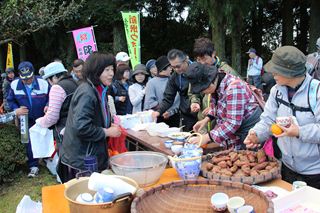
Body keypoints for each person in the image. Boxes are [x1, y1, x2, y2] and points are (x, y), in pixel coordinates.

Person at [244, 46, 320, 189]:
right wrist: (256, 134)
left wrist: (298, 132)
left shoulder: (316, 92)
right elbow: (268, 119)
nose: (272, 73)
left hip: (315, 172)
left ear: (290, 73)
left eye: (276, 70)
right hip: (286, 167)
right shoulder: (276, 91)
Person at [58, 52, 121, 183]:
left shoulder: (100, 89)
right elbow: (82, 127)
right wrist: (107, 131)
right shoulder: (87, 92)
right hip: (81, 160)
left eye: (112, 69)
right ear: (96, 70)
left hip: (90, 154)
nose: (111, 73)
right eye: (107, 70)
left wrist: (109, 124)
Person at [186, 62, 262, 149]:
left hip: (248, 132)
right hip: (236, 130)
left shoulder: (234, 88)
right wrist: (207, 119)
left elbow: (233, 123)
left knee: (249, 159)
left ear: (211, 81)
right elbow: (217, 105)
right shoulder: (218, 84)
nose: (203, 92)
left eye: (203, 89)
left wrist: (206, 137)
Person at [7, 61, 50, 178]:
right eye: (24, 79)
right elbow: (10, 100)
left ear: (33, 74)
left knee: (45, 137)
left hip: (42, 116)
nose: (27, 81)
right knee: (27, 141)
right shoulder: (14, 84)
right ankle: (33, 165)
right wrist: (16, 110)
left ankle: (47, 159)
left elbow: (51, 96)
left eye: (29, 78)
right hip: (25, 118)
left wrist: (48, 105)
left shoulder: (43, 82)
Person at [151, 49, 198, 131]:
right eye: (172, 67)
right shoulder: (174, 77)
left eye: (178, 66)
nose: (176, 69)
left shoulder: (198, 70)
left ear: (186, 60)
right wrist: (159, 111)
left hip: (201, 112)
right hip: (186, 114)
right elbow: (168, 98)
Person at [37, 62, 78, 151]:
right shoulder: (75, 83)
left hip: (65, 132)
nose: (49, 82)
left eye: (48, 79)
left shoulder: (57, 88)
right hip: (77, 128)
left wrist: (40, 122)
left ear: (55, 77)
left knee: (66, 162)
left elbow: (52, 118)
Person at [144, 56, 180, 127]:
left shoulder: (174, 80)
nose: (171, 69)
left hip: (174, 117)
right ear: (163, 68)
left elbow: (178, 100)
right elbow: (149, 102)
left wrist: (170, 112)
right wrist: (162, 110)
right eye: (169, 67)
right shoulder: (151, 83)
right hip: (158, 118)